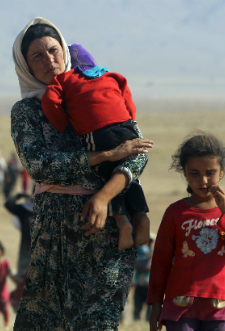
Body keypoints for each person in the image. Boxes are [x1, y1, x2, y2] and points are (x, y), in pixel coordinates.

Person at [11, 17, 153, 330]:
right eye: (38, 56)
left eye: (53, 50)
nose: (49, 60)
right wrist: (103, 156)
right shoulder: (27, 111)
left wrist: (103, 196)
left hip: (109, 233)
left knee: (98, 323)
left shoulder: (97, 88)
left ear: (64, 51)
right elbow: (39, 165)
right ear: (26, 65)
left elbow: (136, 150)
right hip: (55, 239)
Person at [42, 44, 150, 250]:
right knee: (128, 173)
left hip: (97, 131)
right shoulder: (111, 75)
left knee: (106, 172)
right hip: (126, 127)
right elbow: (128, 99)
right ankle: (141, 216)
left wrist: (63, 123)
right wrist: (128, 122)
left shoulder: (64, 79)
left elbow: (50, 101)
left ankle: (123, 222)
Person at [147, 132, 225, 331]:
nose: (203, 180)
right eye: (194, 173)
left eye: (210, 172)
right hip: (179, 304)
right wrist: (154, 305)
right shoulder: (175, 212)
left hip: (219, 305)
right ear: (185, 173)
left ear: (221, 172)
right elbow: (160, 261)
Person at [4, 193, 34, 311]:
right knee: (23, 282)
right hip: (26, 253)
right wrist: (20, 195)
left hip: (45, 252)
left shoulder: (49, 208)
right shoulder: (24, 211)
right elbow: (9, 204)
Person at [133, 235, 154, 321]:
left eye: (150, 241)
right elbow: (138, 266)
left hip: (149, 285)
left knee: (150, 308)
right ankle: (136, 320)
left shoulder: (154, 253)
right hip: (140, 284)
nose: (149, 243)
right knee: (138, 306)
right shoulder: (140, 253)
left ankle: (147, 321)